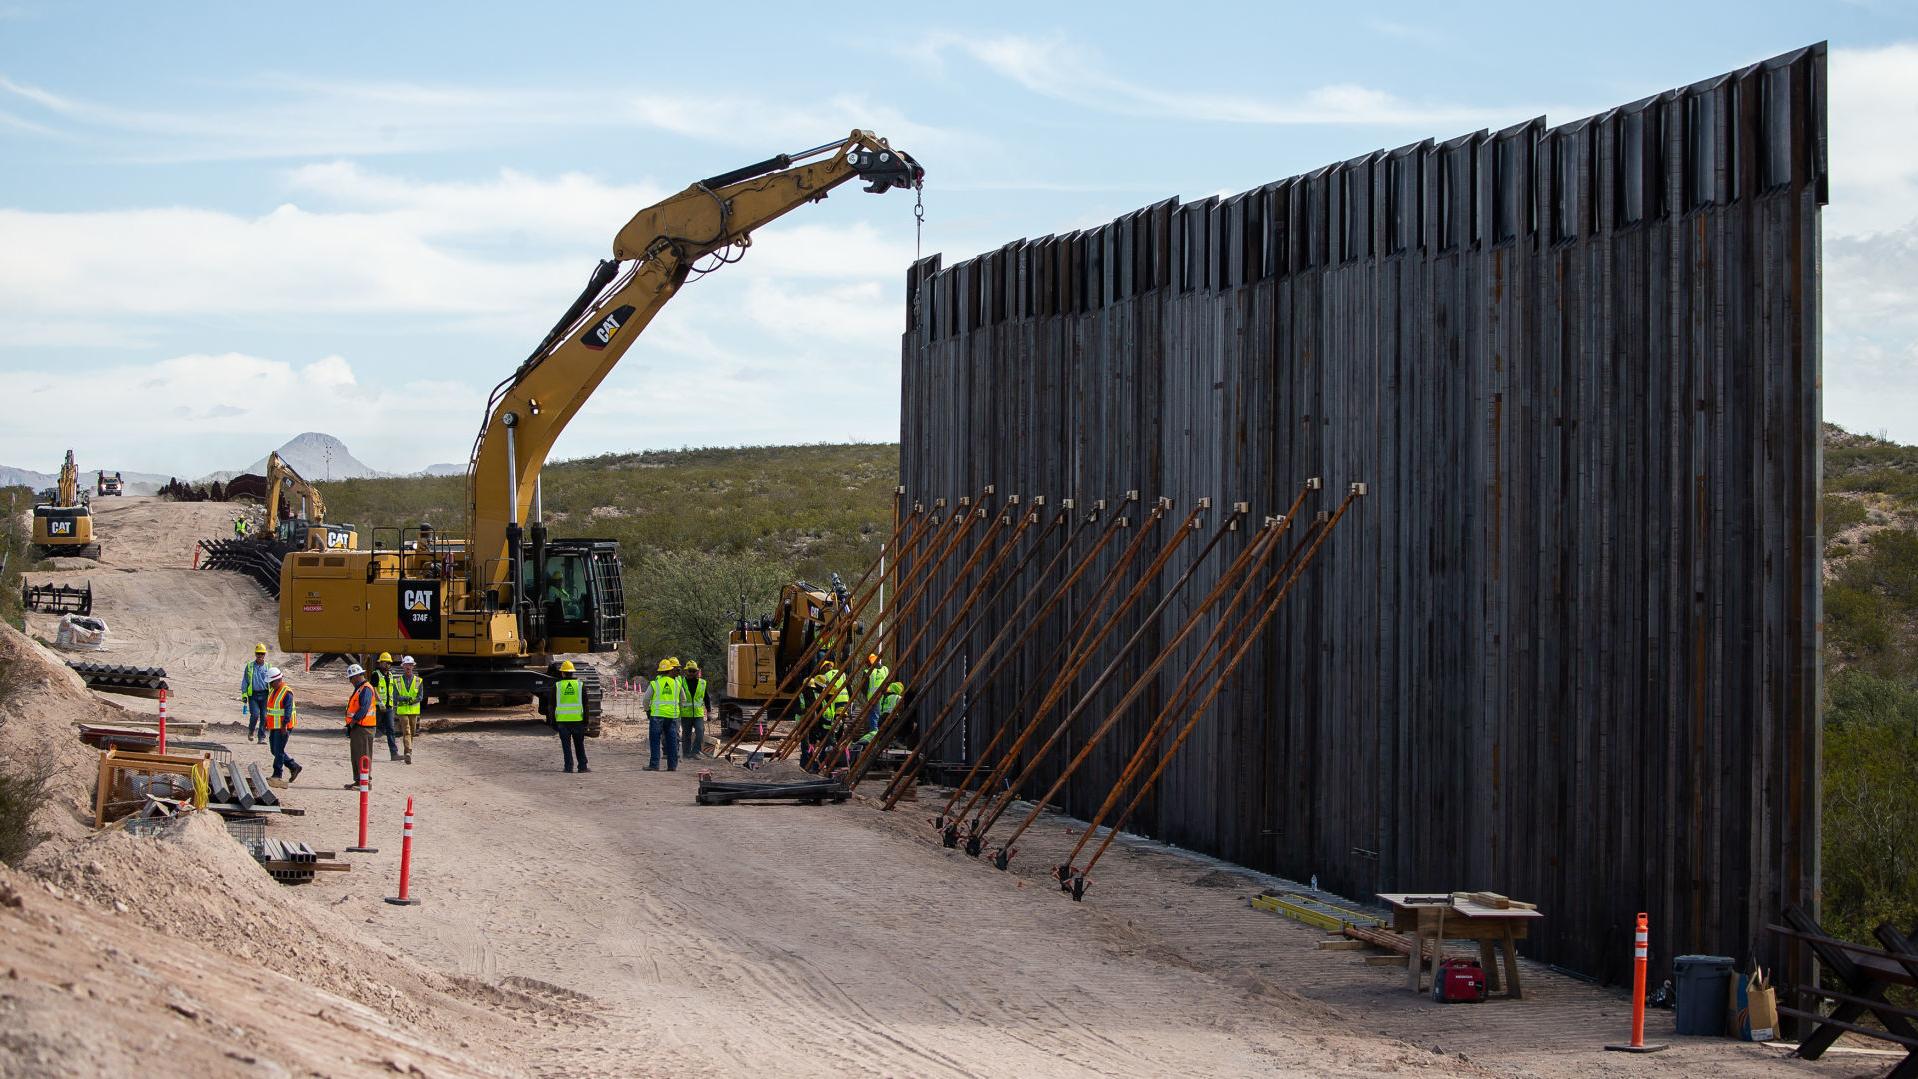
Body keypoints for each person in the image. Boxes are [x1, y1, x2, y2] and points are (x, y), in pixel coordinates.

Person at [262, 668, 303, 783]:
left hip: (283, 726)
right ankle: (293, 766)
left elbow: (288, 711)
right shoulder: (273, 690)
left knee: (279, 750)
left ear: (278, 680)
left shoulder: (287, 692)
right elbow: (271, 708)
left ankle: (277, 775)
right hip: (274, 725)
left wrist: (284, 725)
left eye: (271, 682)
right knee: (274, 750)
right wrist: (266, 721)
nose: (270, 684)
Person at [342, 663, 378, 788]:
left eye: (351, 678)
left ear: (356, 676)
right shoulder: (360, 688)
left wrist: (354, 721)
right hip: (358, 728)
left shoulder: (366, 689)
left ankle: (365, 782)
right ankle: (359, 781)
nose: (350, 681)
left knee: (363, 755)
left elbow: (364, 708)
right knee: (357, 755)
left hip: (364, 728)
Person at [646, 657, 682, 772]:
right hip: (672, 716)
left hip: (656, 716)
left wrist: (648, 711)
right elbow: (683, 699)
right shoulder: (677, 684)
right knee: (671, 741)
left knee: (655, 740)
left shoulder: (655, 683)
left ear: (660, 671)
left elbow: (646, 699)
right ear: (671, 670)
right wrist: (677, 710)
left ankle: (654, 765)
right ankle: (672, 766)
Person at [554, 660, 588, 773]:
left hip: (563, 722)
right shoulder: (580, 685)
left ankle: (568, 767)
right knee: (579, 745)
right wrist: (586, 722)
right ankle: (582, 767)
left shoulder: (557, 686)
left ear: (562, 673)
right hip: (578, 721)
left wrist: (554, 723)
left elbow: (551, 705)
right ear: (572, 673)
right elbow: (586, 705)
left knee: (566, 746)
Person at [392, 655, 423, 765]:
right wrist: (405, 699)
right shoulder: (398, 681)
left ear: (413, 666)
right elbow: (395, 696)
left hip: (414, 711)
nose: (408, 667)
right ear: (403, 666)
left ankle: (407, 752)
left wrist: (412, 701)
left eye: (410, 665)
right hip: (403, 711)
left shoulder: (418, 681)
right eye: (406, 665)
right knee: (407, 731)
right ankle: (408, 752)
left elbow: (420, 696)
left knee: (412, 732)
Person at [370, 651, 401, 762]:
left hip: (388, 707)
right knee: (372, 729)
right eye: (385, 662)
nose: (387, 664)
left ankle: (394, 753)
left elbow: (391, 691)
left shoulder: (391, 675)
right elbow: (373, 688)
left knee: (391, 730)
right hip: (378, 707)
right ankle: (366, 752)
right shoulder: (376, 674)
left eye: (389, 663)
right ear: (380, 663)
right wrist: (380, 702)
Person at [239, 643, 271, 744]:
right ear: (255, 654)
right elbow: (245, 681)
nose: (260, 656)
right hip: (253, 695)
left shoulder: (268, 667)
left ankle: (261, 737)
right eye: (258, 653)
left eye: (262, 654)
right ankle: (251, 731)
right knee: (255, 715)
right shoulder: (249, 666)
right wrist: (244, 694)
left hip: (265, 694)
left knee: (264, 716)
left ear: (264, 655)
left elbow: (273, 682)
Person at [679, 661, 707, 760]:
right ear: (686, 671)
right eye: (689, 671)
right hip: (685, 713)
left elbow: (706, 697)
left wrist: (710, 711)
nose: (691, 673)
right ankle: (686, 754)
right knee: (686, 734)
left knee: (700, 731)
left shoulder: (702, 683)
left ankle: (695, 751)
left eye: (693, 671)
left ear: (697, 671)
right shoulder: (681, 682)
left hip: (698, 713)